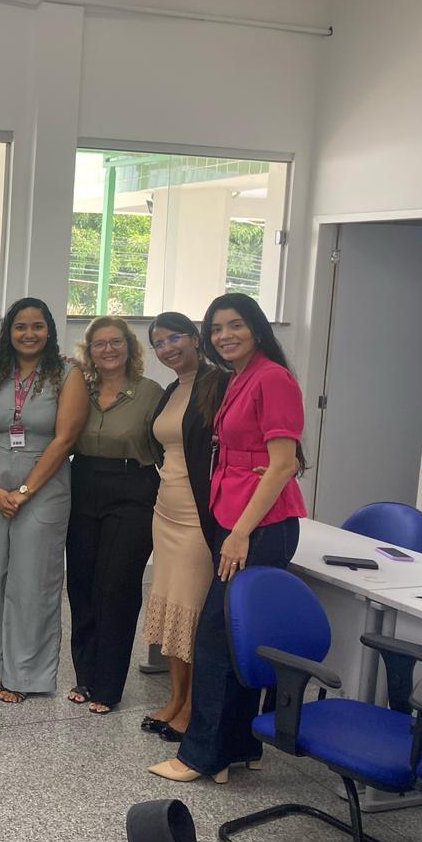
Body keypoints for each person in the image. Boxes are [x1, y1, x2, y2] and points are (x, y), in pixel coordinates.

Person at [151, 294, 307, 784]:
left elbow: (284, 462)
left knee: (216, 639)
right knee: (240, 640)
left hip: (257, 526)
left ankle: (199, 755)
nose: (225, 336)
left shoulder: (273, 378)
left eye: (235, 325)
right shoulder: (240, 377)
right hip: (232, 514)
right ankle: (240, 747)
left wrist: (240, 534)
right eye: (217, 328)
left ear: (257, 328)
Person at [0, 298, 87, 703]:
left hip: (44, 486)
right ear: (9, 332)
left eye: (38, 326)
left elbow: (65, 438)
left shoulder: (67, 374)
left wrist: (23, 492)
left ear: (49, 331)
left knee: (32, 582)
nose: (29, 334)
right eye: (20, 326)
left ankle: (26, 674)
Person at [65, 316, 163, 715]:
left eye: (116, 342)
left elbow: (169, 444)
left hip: (132, 490)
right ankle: (85, 675)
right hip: (83, 483)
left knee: (116, 587)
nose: (108, 349)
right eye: (99, 343)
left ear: (129, 347)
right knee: (82, 585)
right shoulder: (80, 389)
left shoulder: (150, 392)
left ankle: (108, 685)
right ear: (89, 351)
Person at [140, 313, 226, 742]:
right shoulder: (173, 389)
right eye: (158, 343)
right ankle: (176, 698)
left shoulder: (219, 384)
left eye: (174, 338)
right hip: (166, 512)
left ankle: (194, 706)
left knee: (190, 611)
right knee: (171, 604)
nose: (167, 348)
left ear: (195, 338)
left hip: (198, 516)